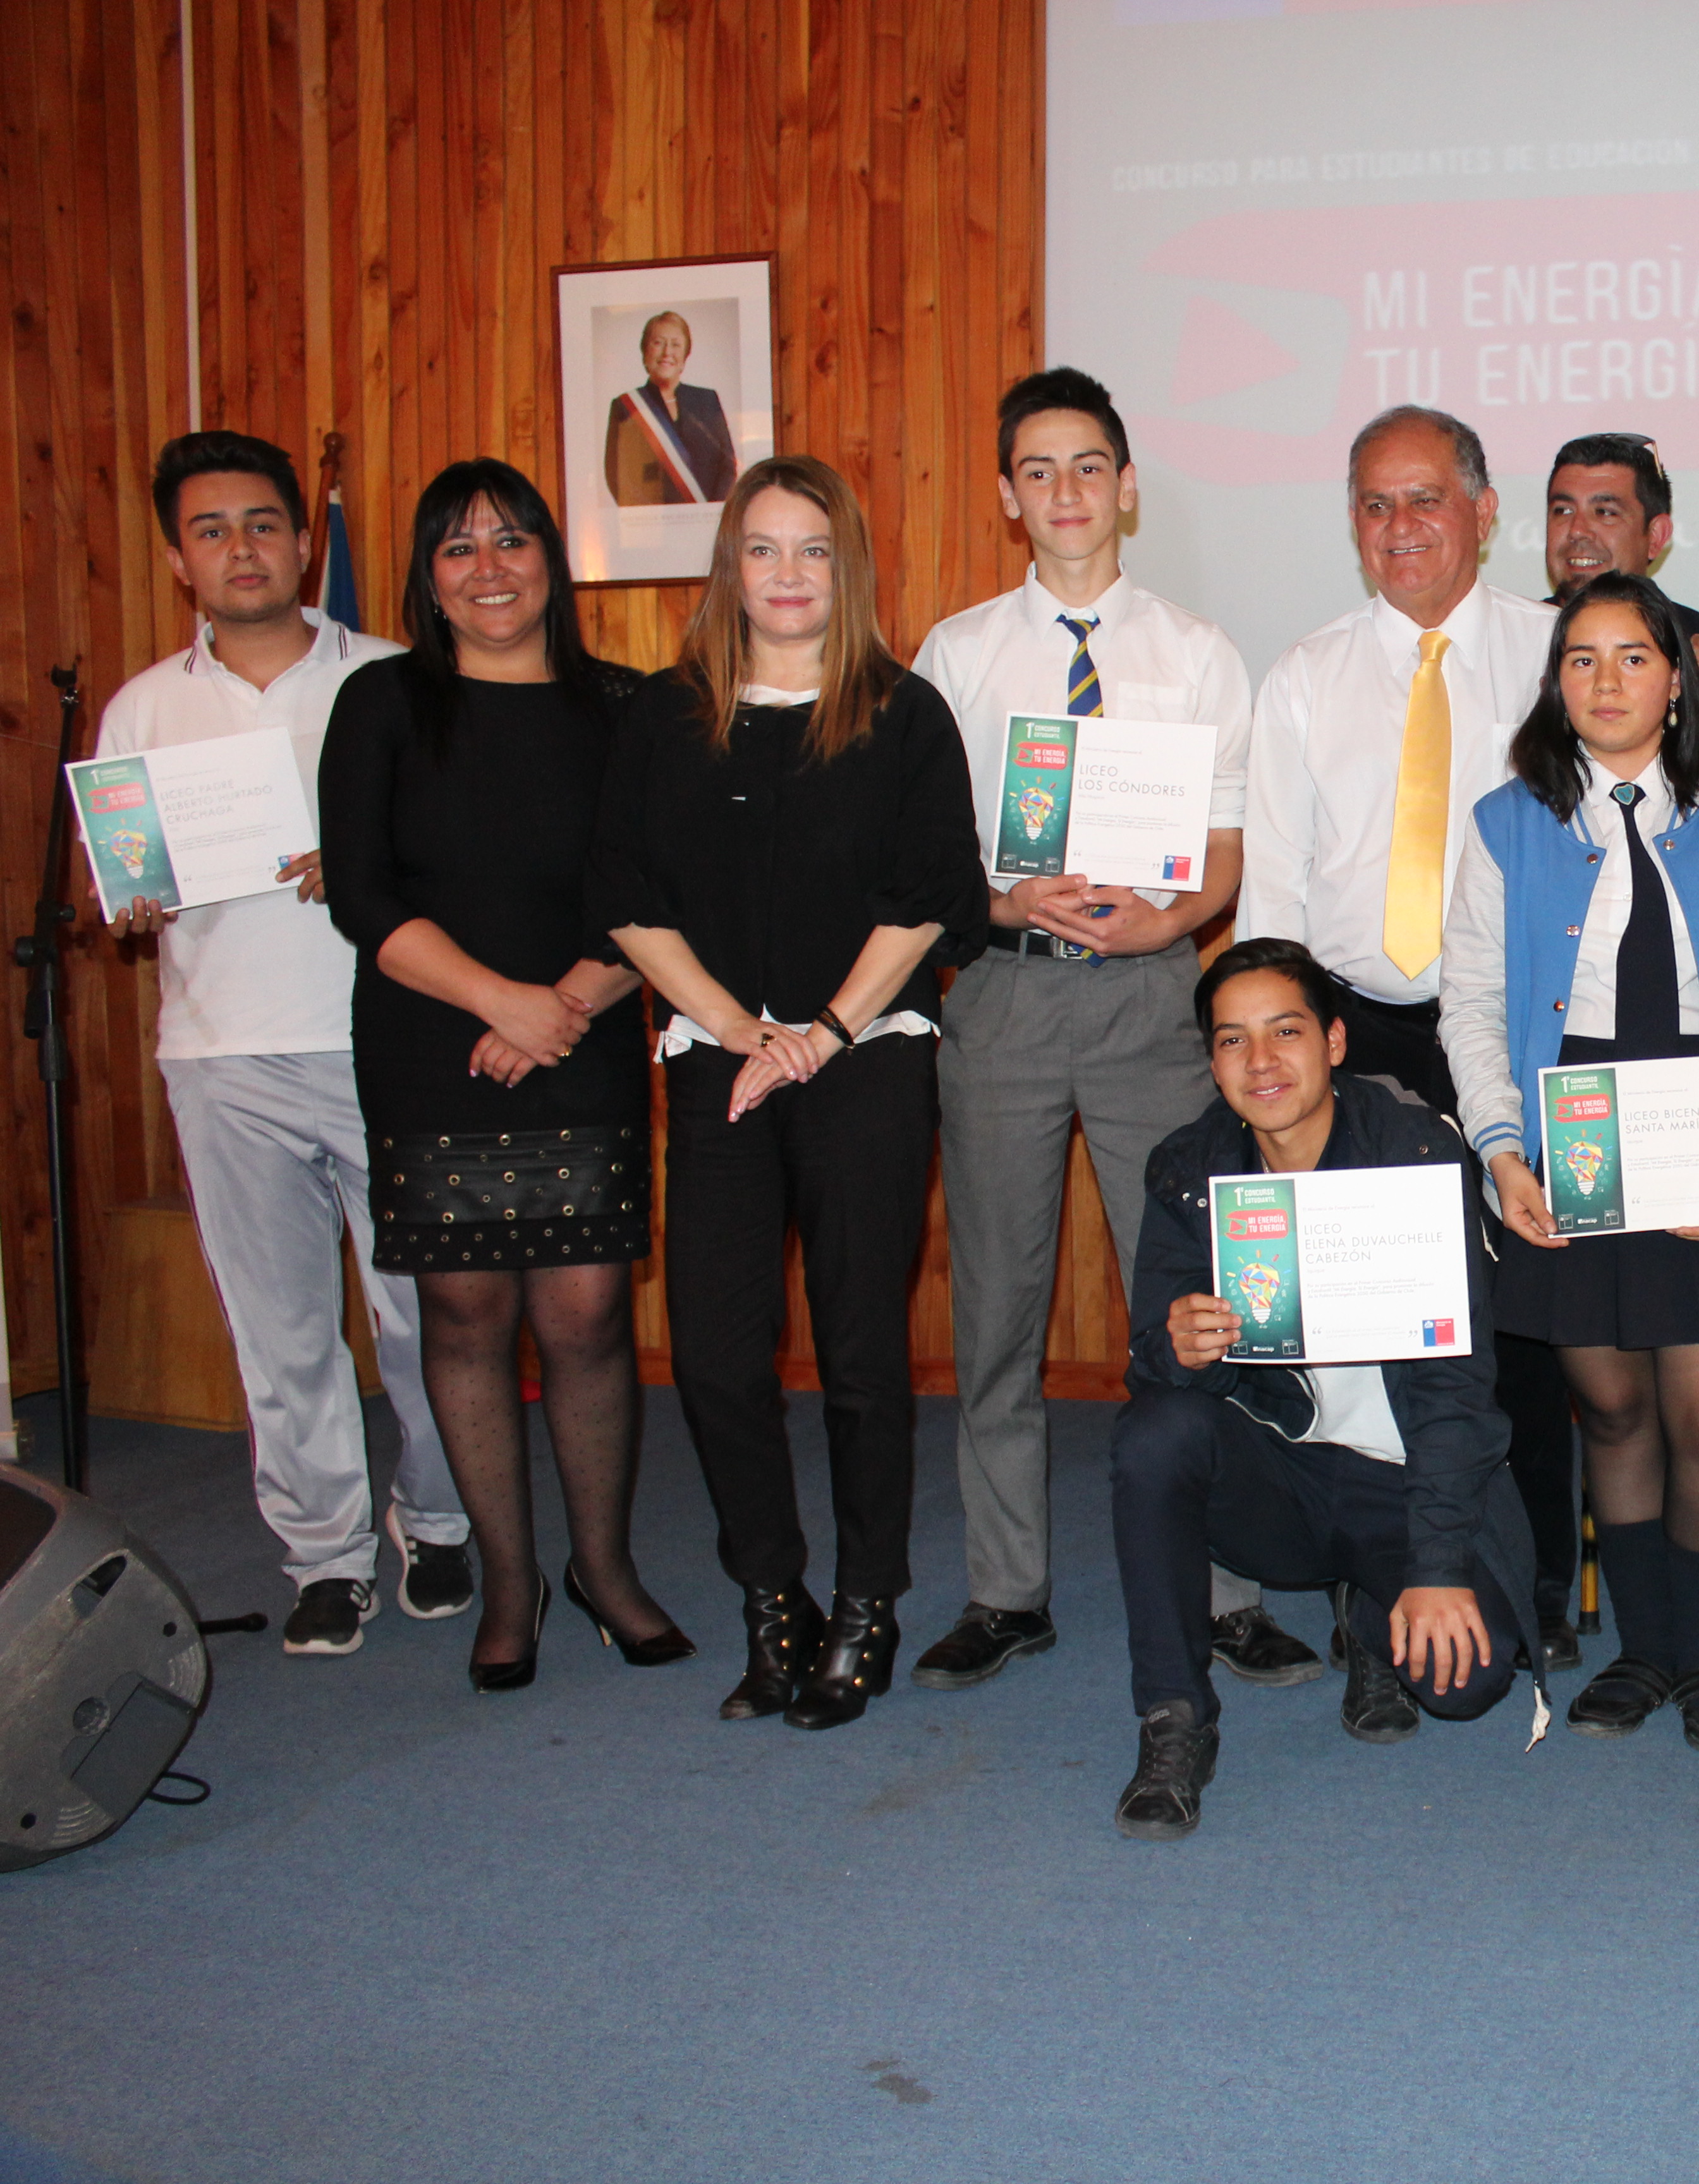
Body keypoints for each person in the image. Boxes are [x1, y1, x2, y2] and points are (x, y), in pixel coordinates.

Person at [904, 369, 1308, 1696]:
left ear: (1127, 487)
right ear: (1006, 494)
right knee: (1002, 1312)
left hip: (1149, 1000)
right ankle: (1007, 1593)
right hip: (1006, 995)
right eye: (1039, 469)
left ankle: (1228, 1590)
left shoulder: (1197, 652)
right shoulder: (958, 654)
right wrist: (998, 895)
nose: (1066, 492)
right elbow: (919, 854)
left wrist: (1163, 925)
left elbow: (1231, 847)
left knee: (1196, 1303)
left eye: (1090, 467)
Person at [589, 455, 986, 1732]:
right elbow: (625, 898)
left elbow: (930, 897)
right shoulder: (663, 717)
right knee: (713, 1352)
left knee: (863, 1351)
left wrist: (815, 1034)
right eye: (763, 549)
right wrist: (733, 1027)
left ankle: (869, 1601)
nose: (789, 575)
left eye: (814, 550)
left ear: (847, 566)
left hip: (866, 1057)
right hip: (718, 1066)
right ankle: (775, 1600)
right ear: (729, 567)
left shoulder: (903, 714)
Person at [1440, 572, 1699, 1751]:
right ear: (1555, 685)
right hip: (1572, 1139)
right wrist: (1501, 1151)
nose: (1605, 681)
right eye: (1580, 660)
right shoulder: (1506, 821)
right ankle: (1641, 1654)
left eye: (1631, 658)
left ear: (1676, 678)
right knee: (1609, 1412)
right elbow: (1469, 1002)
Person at [317, 458, 687, 1692]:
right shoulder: (379, 704)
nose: (490, 568)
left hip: (583, 1035)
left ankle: (605, 1569)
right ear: (429, 576)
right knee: (466, 1316)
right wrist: (501, 1003)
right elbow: (363, 897)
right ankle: (510, 1580)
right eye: (460, 547)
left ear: (553, 560)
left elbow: (664, 893)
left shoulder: (630, 708)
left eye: (514, 540)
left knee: (585, 1314)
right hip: (434, 1044)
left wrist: (567, 1006)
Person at [97, 430, 465, 1658]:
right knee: (283, 1326)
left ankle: (444, 1517)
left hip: (385, 1042)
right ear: (176, 557)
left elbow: (467, 861)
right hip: (222, 1056)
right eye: (211, 531)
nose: (240, 549)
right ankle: (324, 1554)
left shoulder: (404, 680)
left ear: (306, 540)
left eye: (263, 524)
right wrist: (136, 894)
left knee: (423, 1312)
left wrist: (369, 863)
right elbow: (129, 877)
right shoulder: (143, 706)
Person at [1243, 406, 1585, 1666]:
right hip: (1354, 1028)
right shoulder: (1306, 675)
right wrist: (1278, 1063)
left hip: (1519, 1020)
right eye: (1376, 506)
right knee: (1373, 1318)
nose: (1403, 528)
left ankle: (1543, 1583)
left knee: (1531, 1323)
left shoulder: (1562, 657)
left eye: (1426, 499)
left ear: (1484, 512)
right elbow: (1274, 892)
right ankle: (1369, 1583)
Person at [1109, 940, 1543, 1841]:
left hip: (1402, 1477)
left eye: (1286, 1032)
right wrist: (1181, 1347)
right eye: (1233, 1041)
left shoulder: (1417, 1153)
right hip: (1281, 1476)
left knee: (1469, 1684)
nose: (1261, 1062)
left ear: (1336, 1043)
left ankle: (1379, 1608)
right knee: (1153, 1433)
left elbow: (1459, 1393)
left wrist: (1432, 1568)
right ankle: (1174, 1720)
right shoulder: (1191, 1170)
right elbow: (1148, 1362)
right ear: (1212, 1059)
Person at [1547, 430, 1699, 650]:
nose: (1577, 531)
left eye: (1605, 512)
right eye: (1563, 511)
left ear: (1655, 537)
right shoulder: (1508, 641)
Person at [604, 311, 740, 506]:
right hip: (650, 526)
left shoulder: (707, 400)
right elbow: (616, 475)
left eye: (676, 344)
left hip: (704, 524)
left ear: (685, 354)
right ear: (645, 352)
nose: (667, 352)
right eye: (658, 343)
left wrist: (709, 514)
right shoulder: (625, 406)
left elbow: (727, 466)